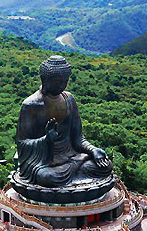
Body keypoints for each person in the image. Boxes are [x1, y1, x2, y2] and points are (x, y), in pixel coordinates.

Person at [16, 55, 112, 187]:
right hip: (46, 163)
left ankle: (75, 174)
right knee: (47, 177)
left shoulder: (69, 99)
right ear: (45, 79)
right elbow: (22, 143)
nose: (62, 85)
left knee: (104, 166)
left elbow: (78, 139)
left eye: (65, 81)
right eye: (58, 82)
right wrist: (47, 139)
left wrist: (93, 150)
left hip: (71, 156)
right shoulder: (31, 105)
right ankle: (75, 177)